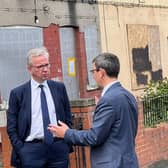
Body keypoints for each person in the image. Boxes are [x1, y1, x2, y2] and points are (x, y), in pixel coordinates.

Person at [48, 53, 139, 168]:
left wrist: (66, 133)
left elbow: (93, 137)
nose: (93, 75)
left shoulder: (109, 100)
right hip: (128, 162)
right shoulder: (128, 95)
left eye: (93, 71)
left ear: (101, 73)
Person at [7, 47, 73, 168]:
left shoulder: (59, 88)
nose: (45, 69)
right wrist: (21, 149)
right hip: (31, 150)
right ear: (29, 69)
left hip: (58, 148)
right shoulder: (18, 93)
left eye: (47, 65)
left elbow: (68, 117)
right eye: (40, 67)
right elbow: (11, 127)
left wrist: (64, 143)